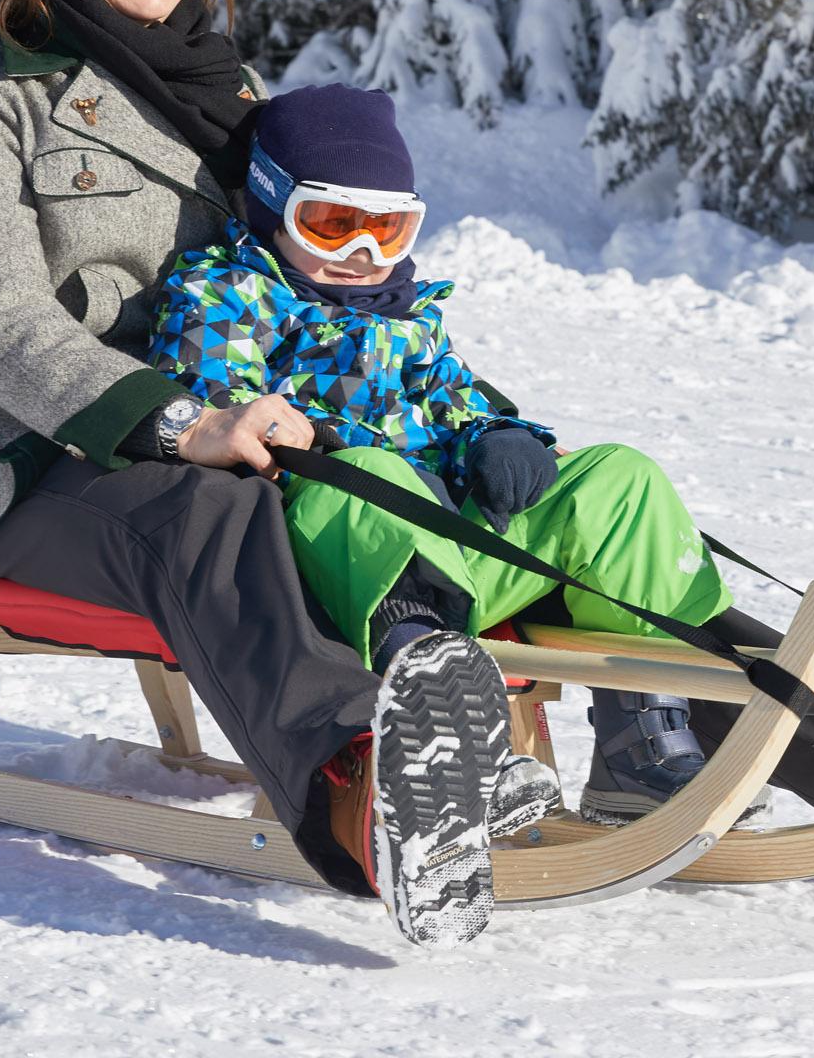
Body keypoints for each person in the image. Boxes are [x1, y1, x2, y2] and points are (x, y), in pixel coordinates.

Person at [0, 0, 522, 945]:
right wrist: (182, 422)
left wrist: (484, 424)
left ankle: (785, 730)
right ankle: (369, 795)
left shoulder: (237, 99)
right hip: (16, 461)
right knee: (212, 515)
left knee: (443, 491)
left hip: (235, 430)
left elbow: (342, 302)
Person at [145, 82, 767, 827]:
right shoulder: (226, 293)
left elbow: (458, 402)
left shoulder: (411, 318)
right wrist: (321, 437)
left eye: (388, 230)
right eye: (333, 225)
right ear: (274, 206)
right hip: (329, 567)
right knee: (370, 474)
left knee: (619, 478)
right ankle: (447, 737)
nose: (362, 254)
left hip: (452, 557)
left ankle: (641, 742)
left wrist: (497, 437)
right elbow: (216, 402)